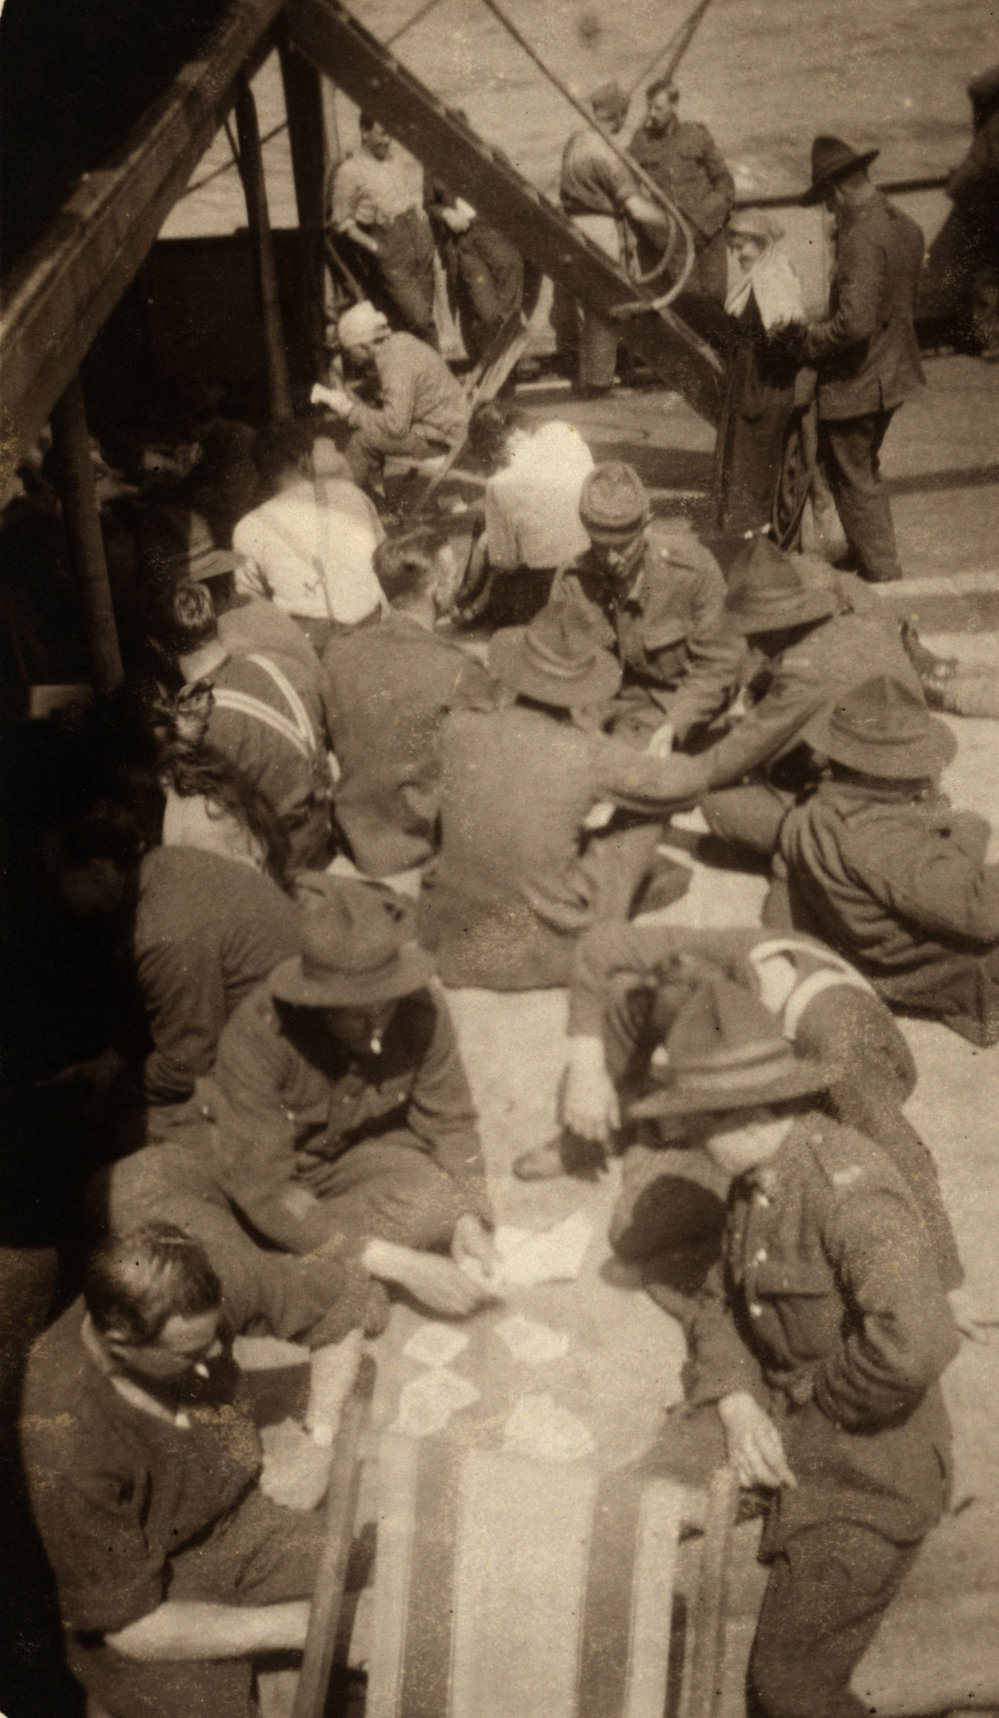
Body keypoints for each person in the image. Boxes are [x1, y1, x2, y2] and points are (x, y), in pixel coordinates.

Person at [635, 976, 959, 1718]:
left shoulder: (850, 1192)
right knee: (622, 1514)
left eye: (698, 1119)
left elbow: (916, 1342)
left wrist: (805, 1412)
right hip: (769, 1405)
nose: (686, 1136)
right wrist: (735, 1400)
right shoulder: (756, 1175)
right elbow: (722, 1297)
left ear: (751, 1111)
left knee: (788, 1687)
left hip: (867, 1462)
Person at [514, 918, 962, 1296]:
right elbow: (598, 946)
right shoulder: (723, 956)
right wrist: (586, 1068)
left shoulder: (835, 1043)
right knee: (628, 995)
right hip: (742, 1088)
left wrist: (944, 1282)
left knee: (635, 1230)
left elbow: (901, 1151)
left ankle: (663, 1135)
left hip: (816, 1095)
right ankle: (603, 1124)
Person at [21, 1225, 330, 1718]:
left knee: (380, 1574)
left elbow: (339, 1302)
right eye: (189, 1354)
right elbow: (128, 1626)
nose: (215, 1356)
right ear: (120, 1344)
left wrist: (321, 1438)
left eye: (214, 1337)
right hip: (147, 1602)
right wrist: (293, 1626)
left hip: (238, 1518)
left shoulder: (191, 1284)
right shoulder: (68, 1437)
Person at [177, 883, 497, 1317]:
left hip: (354, 1157)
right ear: (318, 1003)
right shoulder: (258, 1036)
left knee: (442, 1204)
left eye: (386, 1006)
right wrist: (399, 1263)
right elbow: (265, 1187)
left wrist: (471, 1215)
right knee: (286, 1275)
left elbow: (451, 1122)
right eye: (358, 1015)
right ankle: (332, 1263)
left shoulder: (421, 1008)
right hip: (275, 1179)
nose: (378, 1028)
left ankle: (334, 1257)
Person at [418, 587, 709, 990]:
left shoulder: (459, 727)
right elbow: (690, 783)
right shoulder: (587, 751)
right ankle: (603, 922)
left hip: (454, 946)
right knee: (641, 820)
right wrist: (631, 748)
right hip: (547, 953)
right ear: (582, 689)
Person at [776, 672, 999, 1047]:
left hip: (885, 961)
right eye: (917, 764)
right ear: (884, 771)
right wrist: (967, 832)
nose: (928, 774)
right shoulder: (882, 839)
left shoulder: (811, 809)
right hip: (961, 975)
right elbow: (980, 912)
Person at [694, 534, 923, 858]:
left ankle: (818, 855)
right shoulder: (853, 624)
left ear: (778, 624)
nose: (753, 645)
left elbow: (728, 760)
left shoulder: (803, 670)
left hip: (871, 817)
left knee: (718, 802)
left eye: (755, 632)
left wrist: (646, 778)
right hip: (910, 782)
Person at [321, 524, 496, 878]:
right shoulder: (457, 669)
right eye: (453, 576)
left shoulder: (338, 652)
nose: (456, 582)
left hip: (353, 844)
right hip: (423, 854)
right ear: (437, 590)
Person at [797, 134, 926, 583]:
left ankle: (883, 568)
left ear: (835, 192)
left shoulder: (859, 238)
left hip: (860, 382)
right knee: (865, 465)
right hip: (895, 370)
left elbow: (853, 324)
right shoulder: (904, 224)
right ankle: (866, 547)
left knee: (850, 471)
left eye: (827, 202)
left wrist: (808, 340)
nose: (829, 213)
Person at [554, 461, 743, 748]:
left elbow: (719, 663)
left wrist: (675, 725)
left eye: (623, 546)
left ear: (646, 527)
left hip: (673, 705)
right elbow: (561, 663)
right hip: (603, 704)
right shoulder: (572, 579)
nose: (611, 558)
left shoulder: (692, 571)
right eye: (600, 546)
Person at [157, 580, 334, 871]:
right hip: (321, 839)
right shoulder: (281, 667)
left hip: (278, 866)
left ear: (159, 648)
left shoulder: (198, 726)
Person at [232, 419, 385, 652]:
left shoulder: (247, 528)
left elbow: (253, 607)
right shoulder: (351, 493)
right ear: (305, 459)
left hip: (312, 644)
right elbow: (386, 559)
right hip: (373, 625)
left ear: (260, 470)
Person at [557, 81, 670, 396]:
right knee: (609, 304)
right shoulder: (608, 152)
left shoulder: (575, 142)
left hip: (574, 228)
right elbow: (635, 207)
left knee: (586, 306)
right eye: (625, 114)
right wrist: (671, 223)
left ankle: (588, 378)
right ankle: (600, 383)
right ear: (619, 115)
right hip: (602, 229)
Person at [711, 209, 807, 538]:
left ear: (761, 242)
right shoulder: (760, 274)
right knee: (745, 464)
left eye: (741, 247)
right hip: (750, 382)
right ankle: (752, 538)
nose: (736, 255)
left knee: (754, 465)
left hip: (763, 386)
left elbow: (786, 336)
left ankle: (757, 542)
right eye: (733, 248)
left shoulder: (773, 275)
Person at [457, 401, 595, 626]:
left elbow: (506, 562)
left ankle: (469, 596)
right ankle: (472, 597)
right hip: (590, 562)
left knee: (486, 529)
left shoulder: (499, 483)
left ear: (490, 452)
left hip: (547, 586)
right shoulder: (562, 432)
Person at [315, 301, 470, 495]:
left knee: (359, 441)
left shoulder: (394, 361)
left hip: (441, 438)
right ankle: (370, 496)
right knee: (369, 425)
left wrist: (351, 412)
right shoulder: (399, 342)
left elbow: (395, 426)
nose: (350, 359)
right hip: (446, 425)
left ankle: (347, 500)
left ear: (363, 346)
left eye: (349, 351)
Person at [328, 113, 438, 345]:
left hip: (419, 247)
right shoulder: (350, 171)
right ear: (364, 132)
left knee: (421, 318)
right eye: (382, 134)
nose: (388, 141)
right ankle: (433, 366)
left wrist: (423, 229)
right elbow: (341, 223)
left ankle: (414, 364)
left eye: (390, 134)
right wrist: (375, 246)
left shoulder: (394, 161)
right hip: (391, 254)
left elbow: (409, 201)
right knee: (422, 322)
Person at [627, 75, 735, 302]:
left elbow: (724, 183)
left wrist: (707, 218)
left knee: (716, 301)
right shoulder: (640, 141)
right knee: (688, 304)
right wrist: (657, 231)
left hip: (709, 234)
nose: (651, 114)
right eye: (649, 107)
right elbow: (627, 186)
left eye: (658, 108)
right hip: (675, 240)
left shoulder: (696, 134)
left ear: (675, 106)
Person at [425, 177, 523, 363]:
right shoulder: (435, 167)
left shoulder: (490, 160)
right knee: (486, 312)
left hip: (497, 235)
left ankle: (506, 363)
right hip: (465, 241)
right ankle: (488, 361)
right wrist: (446, 213)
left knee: (509, 308)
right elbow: (429, 204)